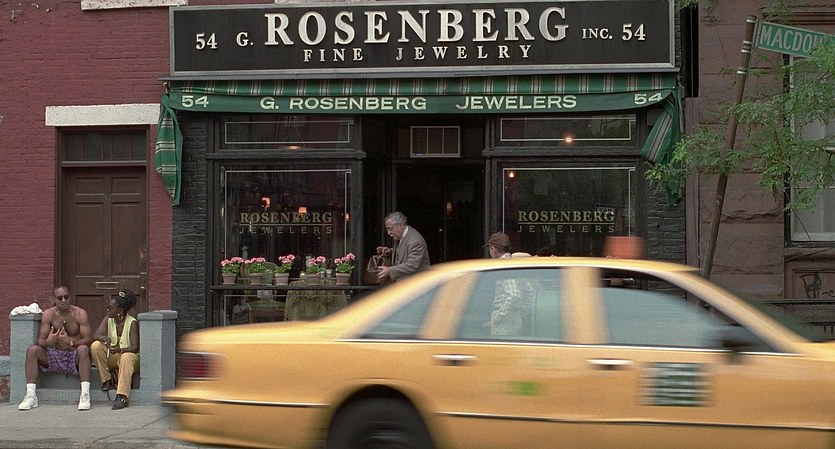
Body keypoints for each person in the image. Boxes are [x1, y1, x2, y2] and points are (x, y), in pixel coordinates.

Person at [19, 286, 93, 411]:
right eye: (60, 298)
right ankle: (31, 395)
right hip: (54, 354)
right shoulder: (49, 314)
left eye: (66, 297)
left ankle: (85, 394)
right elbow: (41, 341)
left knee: (84, 349)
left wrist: (70, 342)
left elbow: (89, 339)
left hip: (73, 354)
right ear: (54, 299)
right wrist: (50, 341)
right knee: (32, 350)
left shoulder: (80, 313)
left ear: (70, 297)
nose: (64, 300)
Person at [91, 289, 140, 410]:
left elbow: (135, 347)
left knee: (126, 357)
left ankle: (122, 396)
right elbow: (96, 335)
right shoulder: (108, 319)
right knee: (96, 345)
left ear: (120, 311)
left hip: (130, 360)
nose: (108, 310)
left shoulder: (132, 322)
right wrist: (103, 338)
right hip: (115, 357)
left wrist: (120, 350)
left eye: (111, 308)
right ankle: (106, 380)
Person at [484, 232, 534, 336]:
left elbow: (513, 294)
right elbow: (529, 290)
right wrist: (522, 312)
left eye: (489, 249)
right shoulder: (515, 265)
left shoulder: (503, 267)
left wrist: (498, 318)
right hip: (515, 318)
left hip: (505, 323)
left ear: (493, 249)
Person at [375, 211, 430, 282]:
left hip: (416, 285)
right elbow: (405, 250)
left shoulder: (415, 241)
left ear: (400, 225)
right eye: (387, 229)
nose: (388, 233)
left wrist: (389, 271)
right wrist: (390, 251)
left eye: (390, 228)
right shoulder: (402, 235)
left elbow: (412, 265)